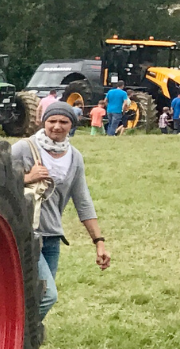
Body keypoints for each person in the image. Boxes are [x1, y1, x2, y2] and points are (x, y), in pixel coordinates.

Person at [10, 103, 110, 326]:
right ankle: (14, 341)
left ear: (72, 125)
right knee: (47, 296)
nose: (56, 126)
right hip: (24, 234)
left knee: (34, 297)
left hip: (52, 237)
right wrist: (25, 178)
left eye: (63, 122)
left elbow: (83, 201)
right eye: (51, 121)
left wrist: (99, 241)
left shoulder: (74, 157)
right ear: (43, 122)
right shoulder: (23, 149)